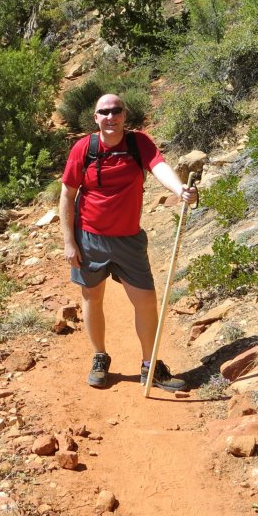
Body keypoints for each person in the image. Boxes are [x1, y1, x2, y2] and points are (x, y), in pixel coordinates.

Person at [58, 93, 198, 390]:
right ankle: (99, 357)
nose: (111, 117)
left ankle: (151, 367)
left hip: (129, 240)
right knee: (92, 298)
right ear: (95, 118)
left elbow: (158, 166)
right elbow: (67, 196)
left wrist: (180, 190)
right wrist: (69, 242)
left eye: (116, 111)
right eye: (104, 112)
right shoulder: (84, 148)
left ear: (125, 114)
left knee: (145, 301)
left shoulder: (139, 143)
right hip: (89, 238)